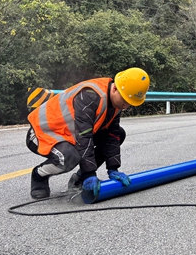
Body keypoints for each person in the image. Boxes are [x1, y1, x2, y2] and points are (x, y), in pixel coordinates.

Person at [25, 67, 150, 199]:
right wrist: (89, 174)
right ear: (114, 89)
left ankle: (78, 180)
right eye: (124, 101)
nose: (125, 106)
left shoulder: (116, 103)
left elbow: (112, 135)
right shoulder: (90, 96)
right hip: (42, 133)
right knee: (69, 157)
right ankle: (39, 175)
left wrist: (113, 168)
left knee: (119, 134)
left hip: (69, 134)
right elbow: (84, 136)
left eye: (129, 103)